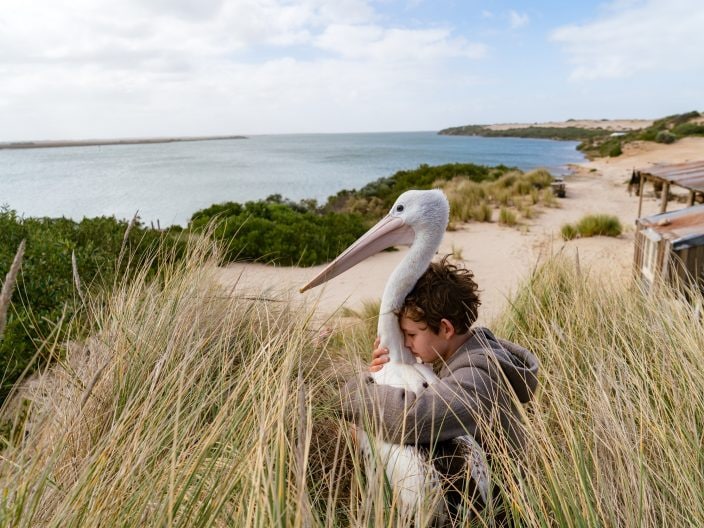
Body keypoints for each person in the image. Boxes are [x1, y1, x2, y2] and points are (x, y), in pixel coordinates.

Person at [341, 256, 539, 522]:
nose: (406, 343)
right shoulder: (464, 354)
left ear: (445, 328)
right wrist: (384, 372)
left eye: (411, 335)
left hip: (501, 514)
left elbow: (410, 418)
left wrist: (357, 389)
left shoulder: (477, 376)